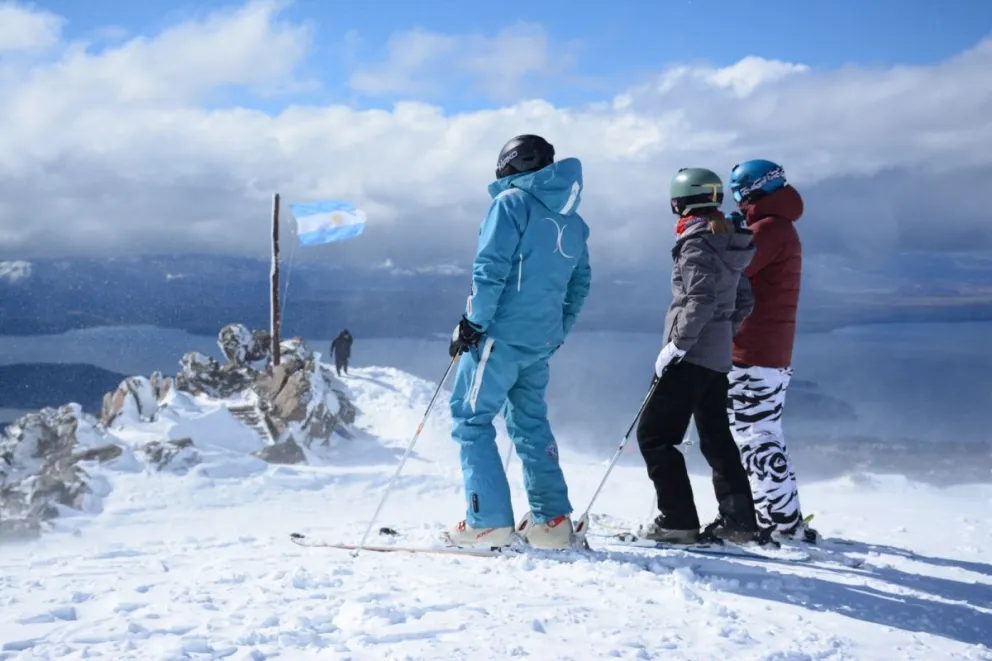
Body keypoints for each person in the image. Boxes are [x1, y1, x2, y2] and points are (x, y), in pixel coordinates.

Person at [445, 134, 592, 550]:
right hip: (540, 341)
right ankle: (553, 523)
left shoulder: (509, 204)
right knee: (529, 424)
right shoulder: (574, 221)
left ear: (509, 165)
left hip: (500, 336)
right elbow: (580, 284)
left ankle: (486, 523)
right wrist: (558, 329)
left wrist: (472, 323)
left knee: (470, 420)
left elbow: (490, 268)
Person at [635, 167, 761, 544]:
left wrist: (678, 345)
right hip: (716, 353)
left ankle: (677, 520)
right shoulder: (730, 240)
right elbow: (743, 300)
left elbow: (700, 300)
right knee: (716, 436)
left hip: (690, 354)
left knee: (655, 436)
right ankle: (739, 520)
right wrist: (724, 333)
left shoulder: (696, 241)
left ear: (681, 202)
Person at [726, 159, 815, 542]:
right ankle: (782, 516)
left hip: (754, 349)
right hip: (768, 350)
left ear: (750, 189)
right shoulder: (777, 226)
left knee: (753, 435)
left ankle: (778, 523)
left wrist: (725, 239)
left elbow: (734, 269)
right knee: (763, 432)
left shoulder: (769, 229)